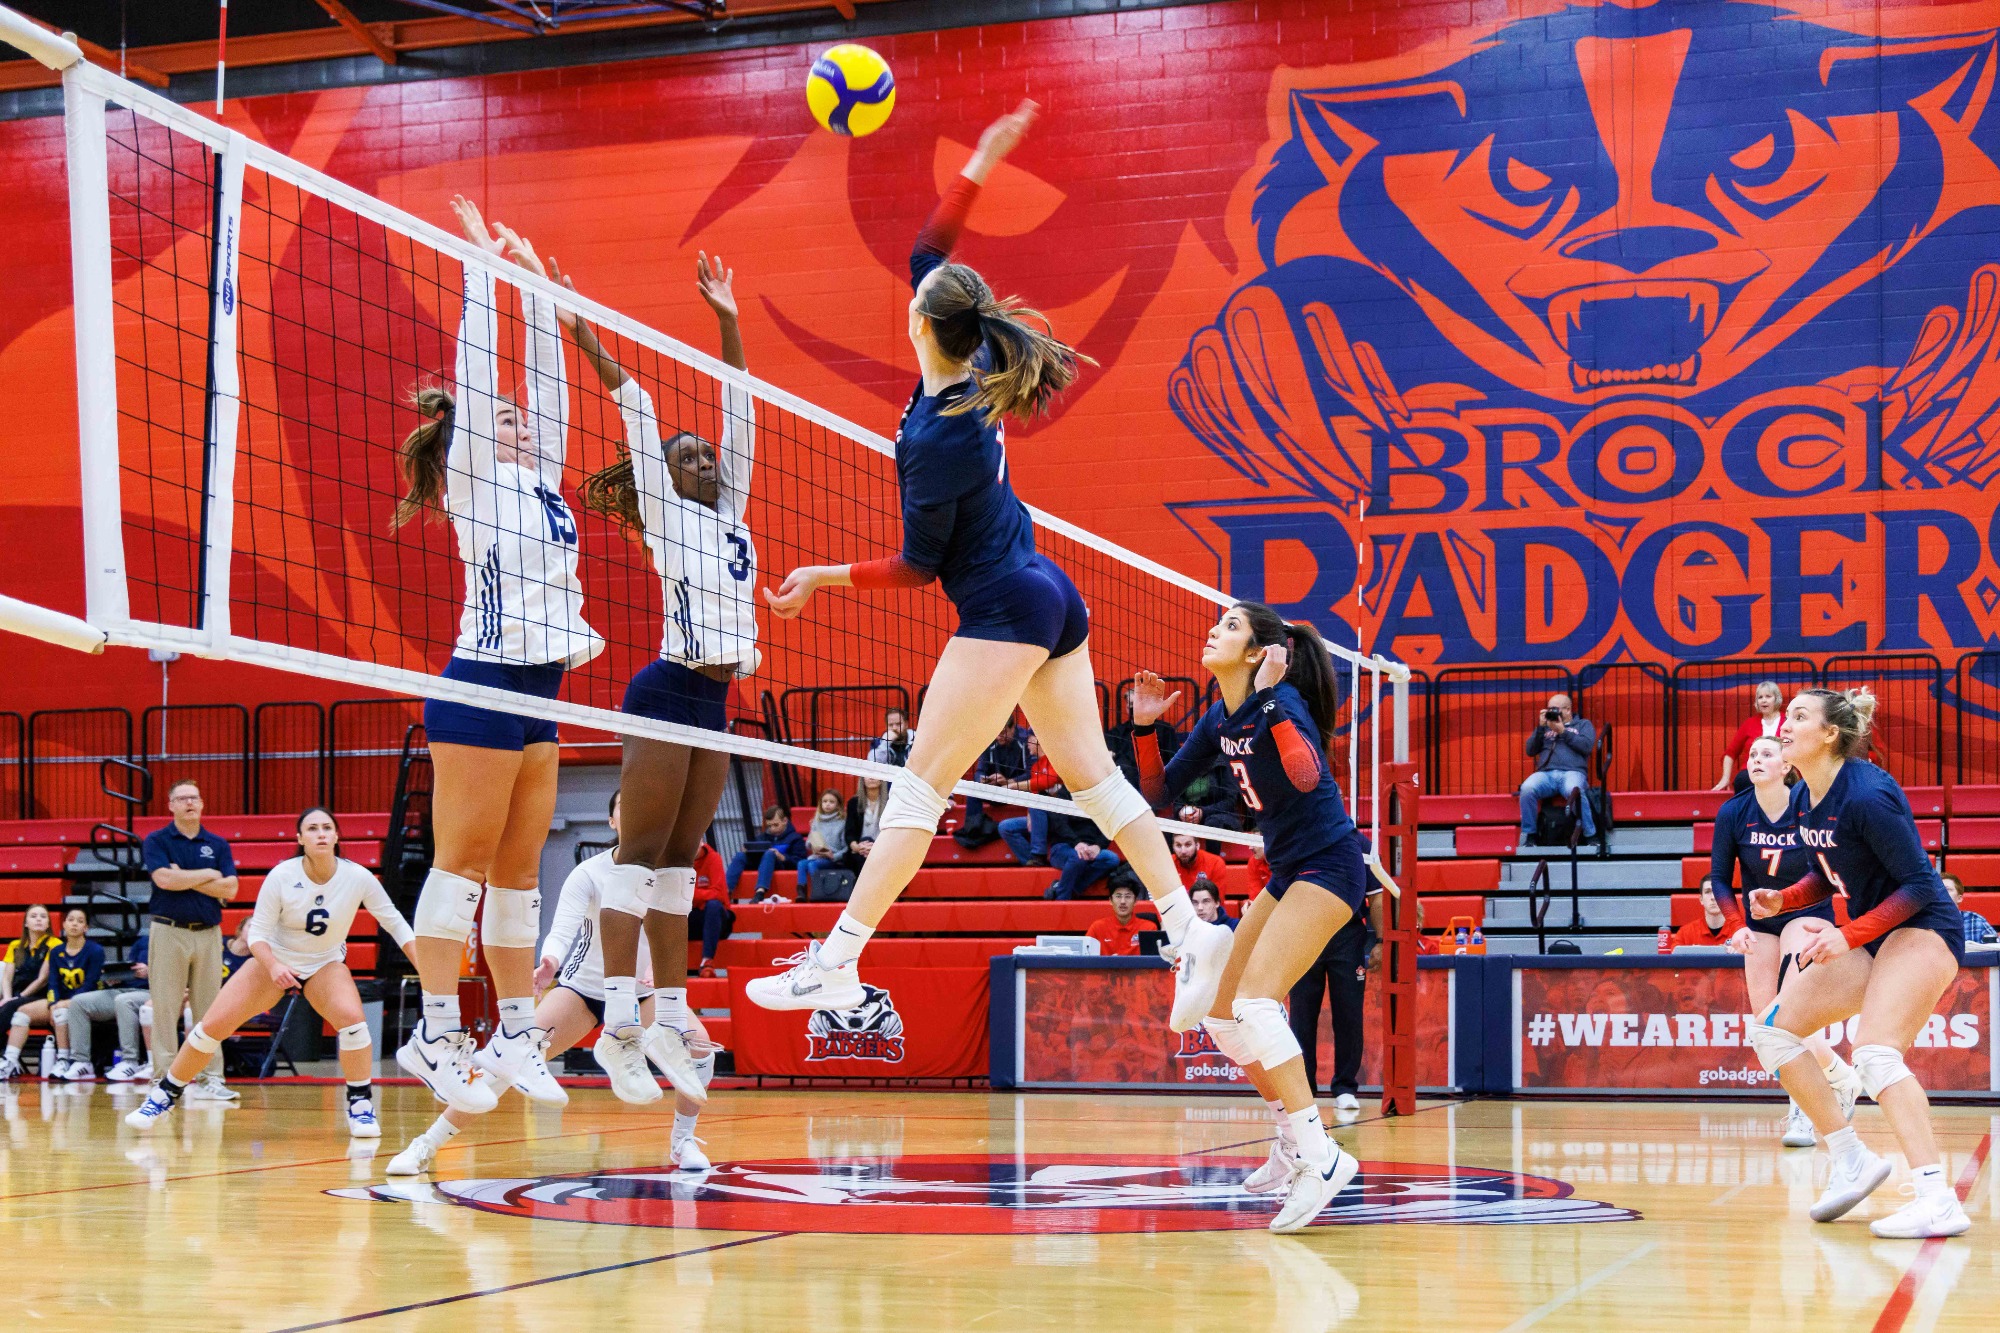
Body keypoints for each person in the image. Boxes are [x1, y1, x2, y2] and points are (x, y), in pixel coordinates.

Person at [749, 100, 1232, 1031]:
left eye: (916, 300)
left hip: (1005, 608)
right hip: (1047, 593)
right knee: (1096, 782)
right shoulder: (963, 367)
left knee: (920, 786)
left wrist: (822, 576)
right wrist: (980, 156)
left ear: (923, 327)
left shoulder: (942, 437)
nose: (910, 295)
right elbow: (930, 249)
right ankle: (1188, 928)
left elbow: (918, 567)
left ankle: (837, 964)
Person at [392, 201, 601, 1116]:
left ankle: (515, 1030)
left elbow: (549, 393)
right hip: (480, 684)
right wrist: (481, 274)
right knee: (463, 868)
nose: (519, 421)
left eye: (520, 421)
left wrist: (538, 296)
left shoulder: (541, 480)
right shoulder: (475, 485)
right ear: (470, 441)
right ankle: (435, 1030)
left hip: (538, 693)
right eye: (502, 419)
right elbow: (480, 382)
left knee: (519, 878)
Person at [566, 247, 751, 1109]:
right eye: (690, 458)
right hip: (668, 690)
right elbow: (637, 409)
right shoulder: (670, 520)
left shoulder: (732, 511)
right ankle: (617, 1023)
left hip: (716, 700)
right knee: (636, 858)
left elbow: (741, 407)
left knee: (681, 862)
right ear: (666, 478)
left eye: (709, 455)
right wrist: (584, 336)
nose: (706, 460)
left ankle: (669, 1015)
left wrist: (728, 321)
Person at [1128, 600, 1366, 1233]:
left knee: (1257, 1003)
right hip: (1288, 871)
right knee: (1220, 1009)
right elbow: (1156, 795)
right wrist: (1145, 728)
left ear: (1259, 653)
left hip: (1329, 865)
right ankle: (1290, 1140)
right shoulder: (1219, 717)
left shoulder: (1281, 703)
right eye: (1219, 621)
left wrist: (1269, 699)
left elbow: (1307, 775)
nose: (1214, 629)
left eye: (1230, 626)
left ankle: (1322, 1157)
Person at [389, 795, 718, 1176]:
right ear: (611, 822)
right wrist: (550, 961)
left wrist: (657, 971)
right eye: (624, 808)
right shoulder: (590, 873)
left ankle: (683, 1140)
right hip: (582, 993)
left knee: (700, 1048)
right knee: (508, 1062)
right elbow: (563, 929)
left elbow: (670, 934)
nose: (635, 813)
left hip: (643, 994)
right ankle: (427, 1143)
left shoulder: (669, 874)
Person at [1745, 688, 1971, 1239]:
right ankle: (1851, 1159)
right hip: (1875, 932)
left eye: (1799, 716)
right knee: (1772, 1031)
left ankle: (1937, 1199)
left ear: (1829, 735)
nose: (1784, 724)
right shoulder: (1805, 796)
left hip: (1924, 927)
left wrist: (1847, 936)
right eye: (1786, 714)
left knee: (1875, 1051)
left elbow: (1920, 886)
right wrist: (1785, 899)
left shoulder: (1868, 794)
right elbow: (1827, 875)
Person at [129, 808, 419, 1138]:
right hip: (275, 960)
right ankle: (163, 1097)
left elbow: (395, 923)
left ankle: (360, 1105)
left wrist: (422, 963)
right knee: (210, 1027)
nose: (321, 834)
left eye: (327, 828)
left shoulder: (358, 876)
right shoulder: (282, 875)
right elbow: (257, 934)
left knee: (354, 1024)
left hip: (324, 963)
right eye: (312, 828)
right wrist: (274, 966)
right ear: (300, 838)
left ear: (337, 836)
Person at [1710, 734, 1862, 1147]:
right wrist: (1735, 925)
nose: (1756, 759)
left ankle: (1804, 1111)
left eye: (1767, 754)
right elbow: (1720, 878)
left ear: (1786, 766)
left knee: (1789, 1016)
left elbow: (1825, 871)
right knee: (1767, 1025)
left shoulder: (1807, 806)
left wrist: (1788, 900)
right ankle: (1840, 1077)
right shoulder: (1733, 812)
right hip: (1759, 922)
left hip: (1806, 913)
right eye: (1752, 754)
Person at [141, 779, 240, 1102]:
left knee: (210, 1011)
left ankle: (212, 1077)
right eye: (182, 798)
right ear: (170, 805)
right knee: (165, 1009)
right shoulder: (157, 840)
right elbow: (164, 879)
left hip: (209, 933)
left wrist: (183, 876)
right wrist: (209, 875)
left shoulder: (217, 844)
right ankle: (164, 1080)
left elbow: (230, 888)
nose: (189, 803)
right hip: (168, 931)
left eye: (194, 798)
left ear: (202, 803)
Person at [1288, 905, 1371, 1117]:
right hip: (1305, 930)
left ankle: (1345, 1088)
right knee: (1301, 1018)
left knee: (1349, 1015)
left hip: (1347, 932)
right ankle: (1303, 1091)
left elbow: (1377, 896)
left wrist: (1380, 940)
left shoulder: (1359, 876)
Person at [58, 927, 151, 1083]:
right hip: (126, 988)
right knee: (78, 1002)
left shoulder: (174, 942)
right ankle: (82, 1062)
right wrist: (118, 976)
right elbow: (131, 967)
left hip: (152, 992)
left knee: (124, 1001)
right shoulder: (142, 942)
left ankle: (130, 1061)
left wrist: (150, 972)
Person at [1519, 695, 1597, 848]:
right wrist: (1540, 728)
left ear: (1568, 710)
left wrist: (1563, 731)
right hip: (1546, 774)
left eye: (1555, 709)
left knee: (1574, 791)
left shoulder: (1583, 725)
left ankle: (1591, 835)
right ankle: (1530, 835)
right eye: (1549, 709)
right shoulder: (1545, 727)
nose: (1552, 712)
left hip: (1572, 772)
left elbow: (1586, 746)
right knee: (1527, 788)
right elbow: (1530, 750)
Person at [37, 909, 102, 1080]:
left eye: (80, 921)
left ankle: (68, 1058)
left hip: (89, 999)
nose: (74, 924)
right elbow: (53, 983)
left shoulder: (95, 950)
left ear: (86, 927)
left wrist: (68, 1002)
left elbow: (91, 983)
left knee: (63, 1010)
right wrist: (52, 1004)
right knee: (56, 1012)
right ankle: (63, 1059)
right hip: (62, 1001)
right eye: (71, 920)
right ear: (64, 925)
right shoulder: (56, 952)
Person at [957, 718, 1032, 847]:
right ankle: (974, 834)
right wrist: (985, 779)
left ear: (1013, 728)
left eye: (1002, 733)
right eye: (996, 733)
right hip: (998, 790)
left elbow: (1033, 774)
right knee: (973, 791)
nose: (998, 737)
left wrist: (1009, 781)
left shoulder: (1026, 740)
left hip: (1021, 790)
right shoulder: (989, 738)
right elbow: (979, 771)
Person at [0, 904, 55, 1078]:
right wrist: (7, 997)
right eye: (34, 916)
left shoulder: (54, 944)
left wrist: (18, 998)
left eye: (43, 916)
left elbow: (42, 979)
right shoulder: (15, 945)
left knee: (9, 1008)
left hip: (41, 995)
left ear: (48, 923)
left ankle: (7, 1060)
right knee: (7, 1006)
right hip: (16, 995)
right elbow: (7, 976)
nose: (38, 919)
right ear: (25, 923)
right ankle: (6, 1058)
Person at [996, 732, 1064, 866]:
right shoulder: (1035, 767)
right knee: (1005, 827)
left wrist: (1014, 785)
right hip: (1042, 817)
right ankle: (1032, 861)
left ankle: (1038, 854)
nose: (1027, 745)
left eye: (1029, 741)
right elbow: (1034, 792)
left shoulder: (1056, 760)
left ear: (1037, 739)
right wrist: (1029, 815)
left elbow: (1048, 781)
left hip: (1061, 814)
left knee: (1037, 803)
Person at [726, 806, 808, 903]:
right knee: (740, 856)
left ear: (785, 821)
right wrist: (748, 851)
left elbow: (800, 861)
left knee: (769, 854)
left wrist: (783, 857)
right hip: (761, 864)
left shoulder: (795, 838)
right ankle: (726, 891)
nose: (772, 829)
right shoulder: (762, 837)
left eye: (776, 825)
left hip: (782, 865)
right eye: (769, 826)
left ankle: (760, 892)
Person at [1715, 679, 1784, 793]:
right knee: (1742, 780)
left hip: (1780, 771)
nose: (1764, 700)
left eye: (1768, 696)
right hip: (1752, 773)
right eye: (1760, 697)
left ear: (1776, 699)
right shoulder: (1749, 723)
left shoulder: (1787, 722)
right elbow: (1730, 753)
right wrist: (1725, 778)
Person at [1039, 811, 1124, 901]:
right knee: (1078, 857)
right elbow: (1059, 824)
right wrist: (1077, 842)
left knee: (1111, 859)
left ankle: (1063, 888)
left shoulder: (1098, 804)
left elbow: (1109, 827)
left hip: (1090, 847)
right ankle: (1061, 899)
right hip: (1063, 846)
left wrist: (1098, 845)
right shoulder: (1063, 801)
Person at [689, 840, 732, 978]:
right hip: (692, 916)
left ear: (701, 843)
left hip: (718, 920)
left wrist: (690, 894)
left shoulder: (713, 858)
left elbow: (719, 894)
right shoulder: (676, 862)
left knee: (713, 906)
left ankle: (707, 961)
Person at [798, 789, 851, 892]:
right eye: (825, 801)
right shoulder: (816, 821)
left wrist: (833, 856)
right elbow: (808, 842)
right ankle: (802, 892)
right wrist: (813, 846)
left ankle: (819, 890)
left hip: (834, 859)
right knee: (801, 864)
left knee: (812, 864)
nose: (827, 804)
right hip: (818, 856)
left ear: (838, 805)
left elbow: (846, 848)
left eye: (832, 802)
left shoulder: (842, 822)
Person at [842, 776, 889, 874]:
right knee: (861, 855)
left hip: (884, 848)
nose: (871, 777)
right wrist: (857, 847)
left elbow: (893, 833)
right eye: (868, 775)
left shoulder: (890, 802)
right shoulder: (854, 803)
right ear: (862, 780)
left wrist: (876, 848)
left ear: (882, 780)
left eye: (875, 774)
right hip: (860, 849)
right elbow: (849, 833)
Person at [1669, 879, 1734, 949]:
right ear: (1701, 899)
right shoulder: (1685, 934)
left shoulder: (1740, 932)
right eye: (1708, 892)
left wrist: (1738, 953)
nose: (1713, 897)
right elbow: (1673, 955)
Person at [1085, 883, 1146, 956]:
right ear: (1111, 900)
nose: (1123, 901)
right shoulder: (1097, 928)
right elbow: (1085, 958)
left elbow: (1152, 961)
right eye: (1118, 896)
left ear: (1135, 901)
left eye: (1128, 896)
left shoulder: (1148, 928)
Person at [1941, 872, 1997, 945]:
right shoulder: (1927, 923)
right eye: (1938, 889)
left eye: (1947, 889)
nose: (1942, 892)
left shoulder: (1975, 921)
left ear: (1959, 898)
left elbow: (1995, 948)